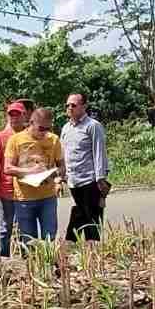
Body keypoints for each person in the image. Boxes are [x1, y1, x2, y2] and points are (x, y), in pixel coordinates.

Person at [5, 108, 65, 242]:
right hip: (24, 199)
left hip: (48, 197)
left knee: (49, 239)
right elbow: (7, 168)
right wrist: (31, 171)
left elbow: (62, 166)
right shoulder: (15, 140)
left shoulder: (54, 139)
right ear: (31, 122)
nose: (45, 132)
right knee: (28, 241)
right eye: (41, 128)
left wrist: (56, 175)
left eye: (48, 128)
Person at [61, 93, 111, 241]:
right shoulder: (66, 128)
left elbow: (99, 152)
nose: (70, 108)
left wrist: (100, 179)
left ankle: (88, 247)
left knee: (92, 220)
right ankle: (73, 246)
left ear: (84, 106)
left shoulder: (93, 126)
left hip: (90, 181)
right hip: (73, 181)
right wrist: (62, 176)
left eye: (73, 105)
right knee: (80, 214)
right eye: (67, 105)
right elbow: (63, 153)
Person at [0, 101, 28, 257]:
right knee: (6, 227)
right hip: (6, 191)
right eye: (11, 115)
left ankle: (25, 259)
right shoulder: (0, 137)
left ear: (24, 116)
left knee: (25, 228)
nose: (14, 118)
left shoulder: (31, 135)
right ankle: (5, 258)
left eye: (17, 115)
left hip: (27, 190)